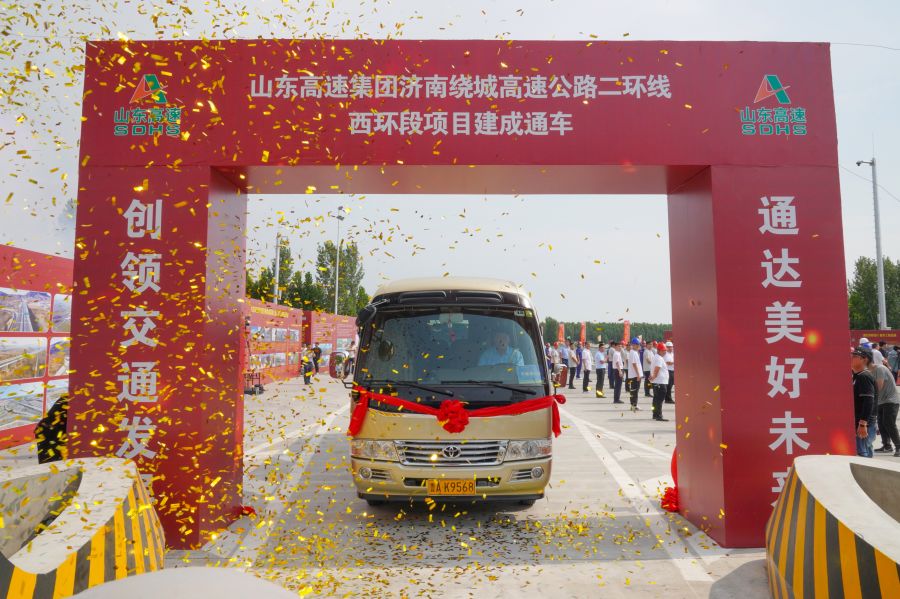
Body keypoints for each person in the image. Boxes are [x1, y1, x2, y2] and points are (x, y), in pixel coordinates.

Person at [851, 346, 877, 458]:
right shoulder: (857, 375)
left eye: (855, 356)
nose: (851, 358)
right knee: (865, 452)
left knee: (863, 455)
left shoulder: (864, 376)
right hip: (862, 423)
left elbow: (868, 400)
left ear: (864, 359)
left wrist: (862, 424)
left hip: (865, 424)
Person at [872, 357, 900, 456]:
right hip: (881, 401)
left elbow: (878, 387)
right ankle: (887, 446)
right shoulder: (869, 372)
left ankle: (898, 446)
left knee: (889, 423)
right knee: (881, 423)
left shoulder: (880, 369)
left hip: (891, 400)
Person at [650, 343, 669, 421]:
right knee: (659, 400)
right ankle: (659, 415)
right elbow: (657, 368)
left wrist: (653, 377)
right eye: (663, 350)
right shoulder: (659, 358)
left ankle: (655, 414)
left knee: (656, 399)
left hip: (657, 382)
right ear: (659, 350)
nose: (665, 352)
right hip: (660, 382)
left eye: (665, 350)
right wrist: (654, 377)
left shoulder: (656, 357)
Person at [626, 337, 643, 411]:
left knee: (634, 391)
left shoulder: (634, 352)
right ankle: (633, 405)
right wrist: (638, 374)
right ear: (633, 345)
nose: (638, 346)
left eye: (638, 344)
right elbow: (634, 364)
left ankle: (633, 405)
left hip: (635, 375)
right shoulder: (633, 353)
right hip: (635, 375)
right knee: (634, 391)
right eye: (637, 344)